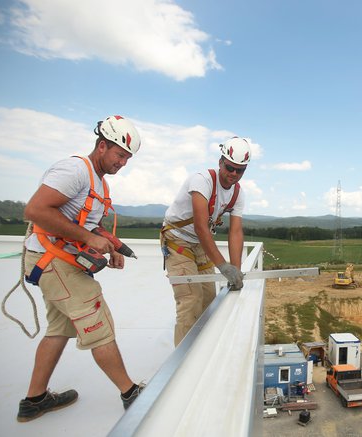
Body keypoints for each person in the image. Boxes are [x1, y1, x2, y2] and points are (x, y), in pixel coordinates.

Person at [18, 115, 145, 422]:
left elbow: (87, 222)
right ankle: (131, 394)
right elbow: (35, 210)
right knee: (97, 324)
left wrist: (111, 246)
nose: (122, 163)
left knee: (59, 330)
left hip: (58, 263)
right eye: (119, 155)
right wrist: (88, 238)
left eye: (127, 159)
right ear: (102, 146)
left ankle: (34, 401)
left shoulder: (98, 182)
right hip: (54, 263)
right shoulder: (74, 170)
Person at [161, 136, 250, 346]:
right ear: (221, 162)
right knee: (190, 301)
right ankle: (181, 363)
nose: (233, 174)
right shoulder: (202, 180)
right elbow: (201, 227)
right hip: (178, 240)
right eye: (230, 168)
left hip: (200, 245)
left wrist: (235, 270)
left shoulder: (238, 194)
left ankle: (201, 351)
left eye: (240, 170)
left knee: (210, 300)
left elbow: (235, 231)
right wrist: (222, 266)